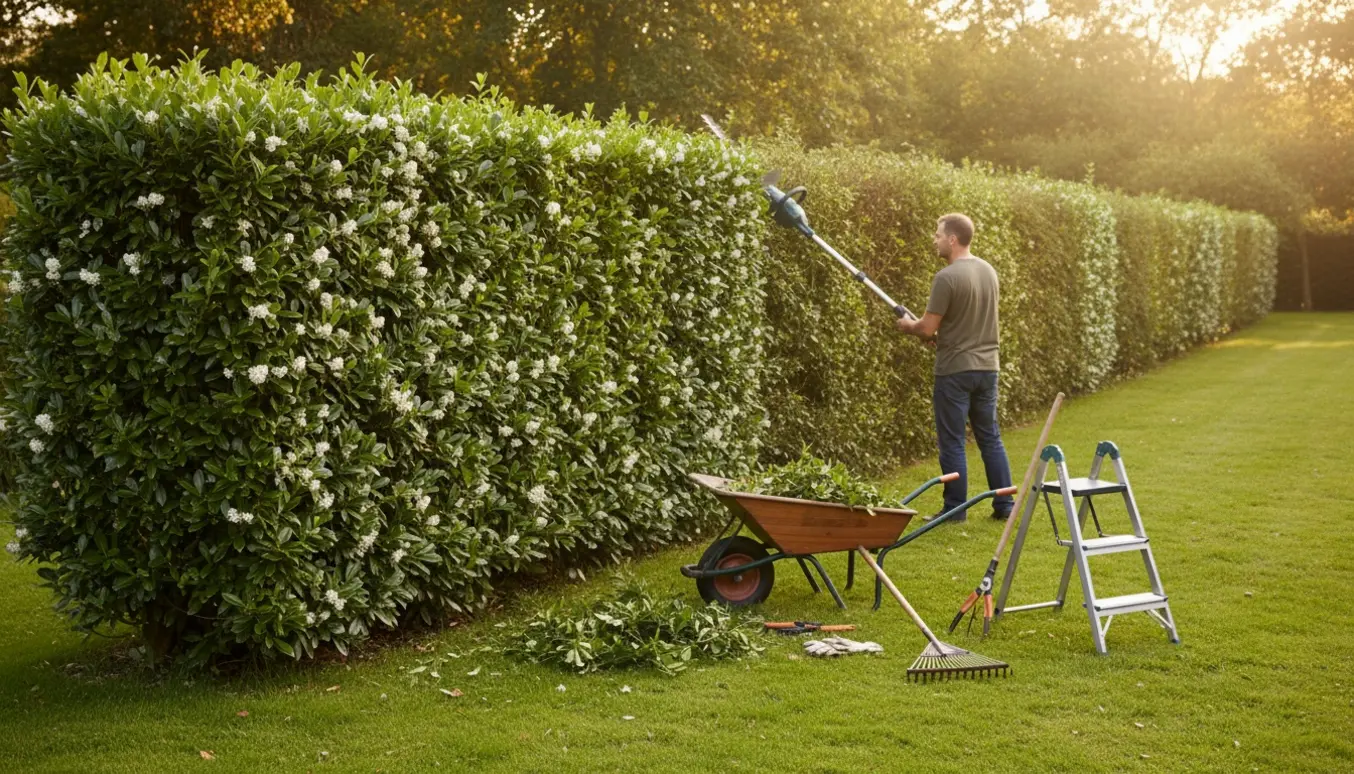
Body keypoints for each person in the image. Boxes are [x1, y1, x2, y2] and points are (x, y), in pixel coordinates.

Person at [895, 213, 1014, 522]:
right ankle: (1004, 506)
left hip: (955, 371)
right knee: (990, 437)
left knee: (953, 441)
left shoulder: (946, 278)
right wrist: (939, 335)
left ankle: (954, 510)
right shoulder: (988, 271)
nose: (934, 240)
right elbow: (966, 322)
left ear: (952, 239)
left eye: (937, 235)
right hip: (988, 368)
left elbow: (926, 327)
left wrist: (908, 326)